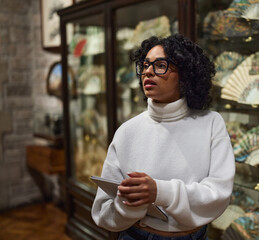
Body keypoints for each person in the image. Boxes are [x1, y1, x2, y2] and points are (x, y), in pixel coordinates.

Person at [91, 34, 235, 240]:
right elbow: (103, 211)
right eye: (145, 65)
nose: (148, 71)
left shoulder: (211, 123)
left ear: (185, 74)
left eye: (160, 65)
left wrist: (160, 192)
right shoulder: (127, 131)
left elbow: (218, 194)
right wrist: (130, 204)